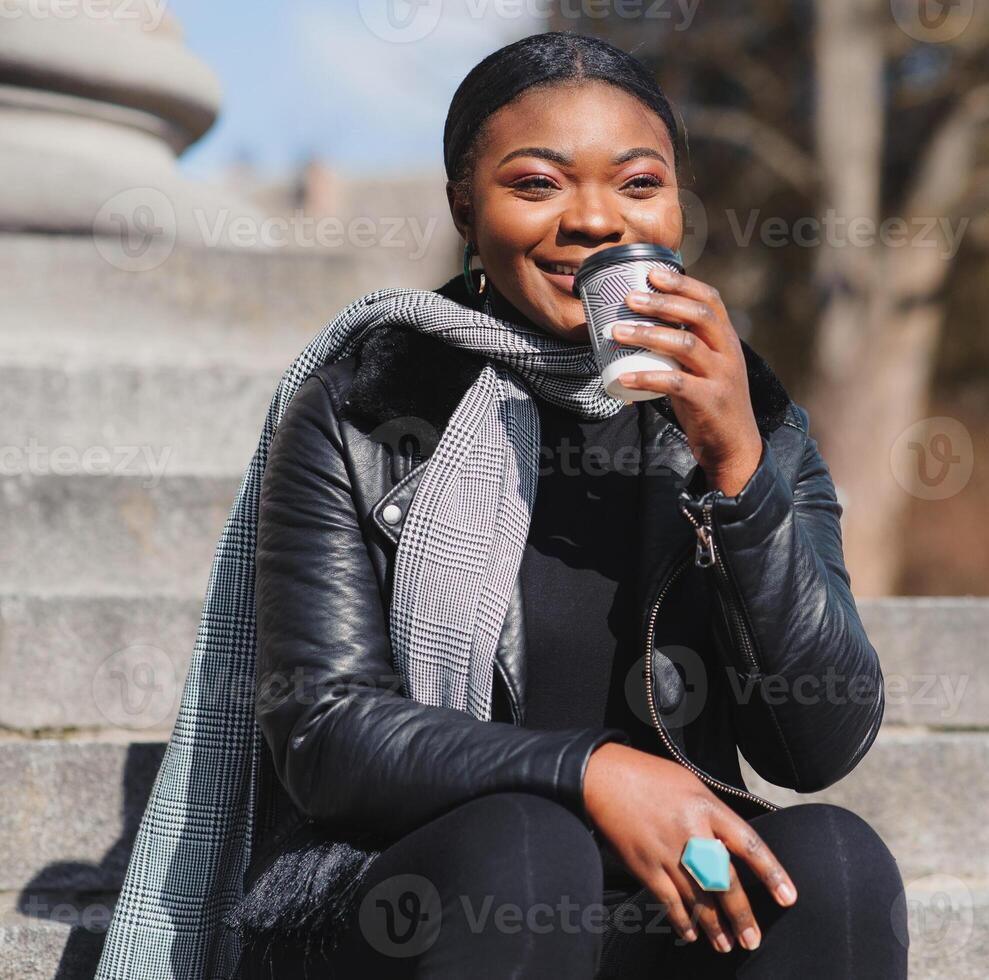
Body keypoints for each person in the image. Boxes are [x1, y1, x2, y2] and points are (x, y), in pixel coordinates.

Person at [105, 30, 905, 980]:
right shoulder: (367, 405)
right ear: (464, 207)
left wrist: (736, 470)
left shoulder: (751, 424)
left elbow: (820, 738)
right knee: (527, 852)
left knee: (840, 866)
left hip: (658, 901)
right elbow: (326, 733)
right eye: (536, 185)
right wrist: (589, 770)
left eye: (638, 185)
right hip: (423, 894)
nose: (594, 220)